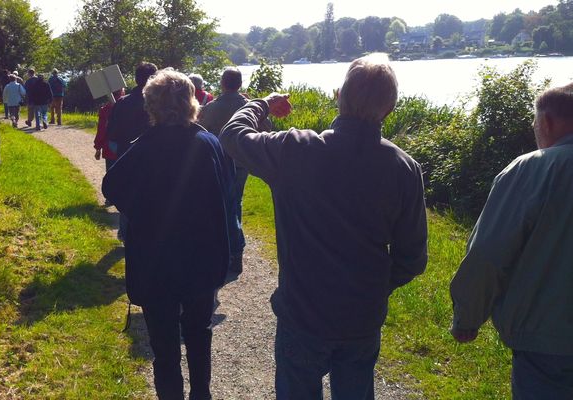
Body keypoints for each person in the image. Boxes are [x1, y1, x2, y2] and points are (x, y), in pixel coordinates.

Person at [219, 54, 428, 399]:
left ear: (340, 96)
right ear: (389, 108)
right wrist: (375, 286)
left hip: (303, 314)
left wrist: (263, 105)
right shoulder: (404, 168)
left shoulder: (296, 150)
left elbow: (233, 135)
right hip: (362, 318)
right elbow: (413, 259)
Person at [102, 68, 234, 400]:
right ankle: (201, 394)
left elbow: (112, 185)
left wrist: (142, 209)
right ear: (192, 102)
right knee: (199, 335)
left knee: (164, 346)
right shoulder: (209, 143)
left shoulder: (145, 146)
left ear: (151, 105)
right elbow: (227, 191)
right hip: (203, 257)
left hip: (156, 260)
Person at [450, 83, 573, 399]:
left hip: (547, 345)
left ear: (546, 122)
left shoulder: (531, 169)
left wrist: (468, 317)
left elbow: (487, 255)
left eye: (535, 122)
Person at [199, 67, 265, 279]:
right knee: (235, 203)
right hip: (241, 161)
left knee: (223, 205)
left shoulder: (212, 107)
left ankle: (231, 249)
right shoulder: (248, 107)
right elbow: (266, 127)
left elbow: (200, 128)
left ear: (222, 83)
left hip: (218, 161)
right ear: (240, 84)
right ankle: (234, 250)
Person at [107, 61, 158, 242]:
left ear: (136, 79)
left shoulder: (122, 102)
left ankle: (125, 232)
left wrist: (120, 150)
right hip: (153, 157)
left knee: (128, 193)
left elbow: (111, 133)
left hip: (126, 153)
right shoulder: (159, 103)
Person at [94, 88, 125, 172]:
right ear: (122, 92)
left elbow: (102, 130)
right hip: (126, 148)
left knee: (111, 175)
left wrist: (98, 148)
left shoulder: (105, 109)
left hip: (111, 148)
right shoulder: (130, 106)